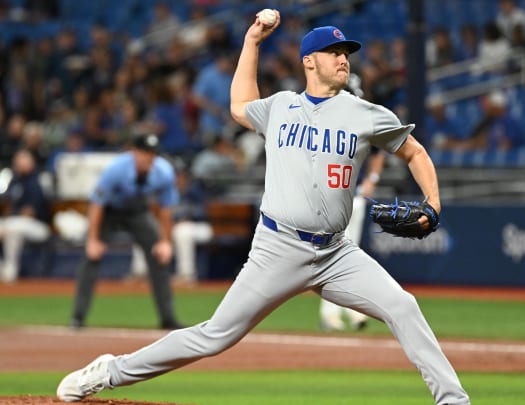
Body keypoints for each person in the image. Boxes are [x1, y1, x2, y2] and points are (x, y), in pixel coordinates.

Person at [57, 13, 470, 405]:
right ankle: (110, 371)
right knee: (214, 337)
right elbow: (240, 105)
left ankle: (453, 400)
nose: (343, 58)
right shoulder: (281, 106)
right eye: (334, 52)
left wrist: (433, 203)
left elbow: (414, 152)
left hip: (336, 253)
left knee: (403, 306)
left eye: (347, 53)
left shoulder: (366, 114)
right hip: (279, 246)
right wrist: (252, 40)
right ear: (309, 61)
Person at [68, 133, 183, 330]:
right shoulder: (117, 168)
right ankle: (78, 317)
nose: (150, 158)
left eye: (153, 153)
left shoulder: (163, 171)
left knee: (159, 257)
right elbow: (97, 204)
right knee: (92, 259)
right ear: (135, 152)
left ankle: (168, 318)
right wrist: (93, 239)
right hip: (110, 211)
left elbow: (166, 209)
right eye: (145, 153)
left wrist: (165, 241)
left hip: (138, 211)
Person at [319, 149, 385, 331]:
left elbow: (378, 152)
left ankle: (350, 309)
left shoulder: (363, 121)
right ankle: (333, 312)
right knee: (334, 252)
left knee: (350, 251)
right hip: (332, 196)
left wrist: (372, 179)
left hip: (355, 195)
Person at [0, 150, 51, 283]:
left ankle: (8, 272)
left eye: (23, 160)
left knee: (10, 229)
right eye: (18, 160)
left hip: (39, 227)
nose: (20, 163)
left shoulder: (35, 182)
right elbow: (9, 207)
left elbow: (29, 213)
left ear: (32, 163)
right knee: (13, 235)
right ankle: (8, 272)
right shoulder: (15, 181)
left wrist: (7, 222)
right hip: (17, 226)